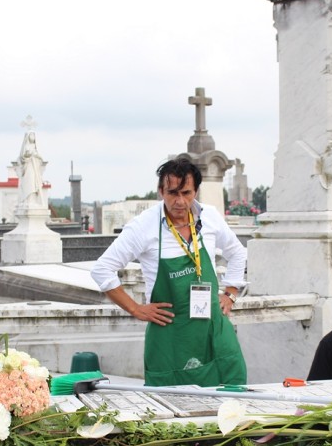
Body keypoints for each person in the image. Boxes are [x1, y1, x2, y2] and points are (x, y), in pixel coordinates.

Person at [90, 157, 247, 386]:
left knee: (231, 392)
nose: (180, 201)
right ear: (161, 191)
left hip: (213, 327)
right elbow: (102, 270)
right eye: (173, 193)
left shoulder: (209, 217)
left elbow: (237, 252)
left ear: (196, 191)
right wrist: (136, 308)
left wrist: (230, 293)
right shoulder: (143, 226)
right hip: (170, 335)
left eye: (186, 192)